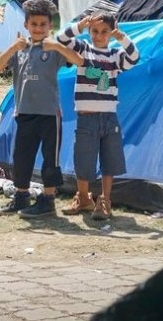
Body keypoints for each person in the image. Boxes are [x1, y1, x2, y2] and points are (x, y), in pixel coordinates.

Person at [0, 0, 83, 217]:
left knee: (50, 158)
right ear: (26, 25)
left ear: (50, 26)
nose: (39, 28)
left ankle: (48, 200)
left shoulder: (53, 49)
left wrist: (58, 46)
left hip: (50, 114)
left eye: (43, 24)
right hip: (24, 113)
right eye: (34, 24)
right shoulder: (20, 49)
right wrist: (13, 47)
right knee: (22, 157)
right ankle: (21, 196)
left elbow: (80, 62)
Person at [56, 13, 139, 221]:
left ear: (112, 32)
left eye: (104, 32)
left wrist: (122, 38)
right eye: (95, 31)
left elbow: (134, 58)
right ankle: (83, 197)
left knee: (109, 159)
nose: (99, 36)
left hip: (109, 117)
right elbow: (61, 39)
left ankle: (105, 200)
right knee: (84, 158)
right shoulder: (84, 49)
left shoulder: (114, 56)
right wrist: (80, 26)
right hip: (86, 117)